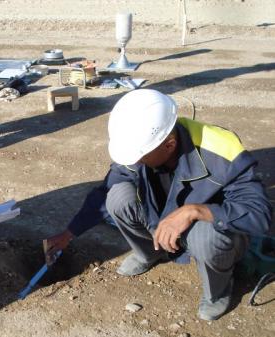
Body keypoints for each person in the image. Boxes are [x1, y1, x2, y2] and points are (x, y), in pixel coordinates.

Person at [46, 89, 272, 321]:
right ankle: (150, 254)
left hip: (210, 232)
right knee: (117, 196)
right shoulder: (143, 145)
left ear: (169, 145)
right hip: (161, 217)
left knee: (205, 235)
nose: (135, 161)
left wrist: (196, 211)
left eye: (141, 156)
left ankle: (218, 291)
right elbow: (104, 193)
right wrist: (69, 234)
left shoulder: (221, 151)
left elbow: (260, 215)